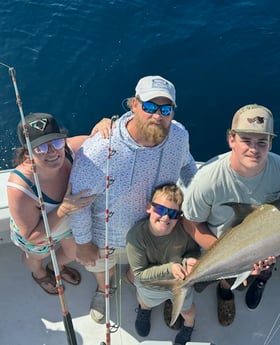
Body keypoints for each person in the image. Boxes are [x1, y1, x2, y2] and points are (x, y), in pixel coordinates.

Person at [69, 75, 197, 323]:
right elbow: (78, 203)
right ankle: (103, 289)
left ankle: (135, 280)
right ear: (134, 105)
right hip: (108, 236)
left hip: (154, 229)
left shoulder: (179, 135)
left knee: (146, 269)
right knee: (100, 267)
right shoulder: (99, 149)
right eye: (149, 107)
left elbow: (187, 165)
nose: (157, 115)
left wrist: (198, 204)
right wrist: (84, 243)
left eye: (165, 109)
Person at [181, 104, 280, 326]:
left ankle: (225, 291)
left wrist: (271, 250)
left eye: (262, 142)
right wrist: (228, 255)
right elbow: (190, 222)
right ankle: (193, 288)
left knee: (257, 272)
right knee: (196, 274)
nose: (254, 149)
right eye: (246, 140)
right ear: (231, 139)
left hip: (260, 244)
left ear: (270, 143)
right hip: (213, 242)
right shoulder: (208, 178)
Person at [7, 112, 110, 294]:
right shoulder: (21, 188)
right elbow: (31, 235)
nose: (52, 152)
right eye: (41, 148)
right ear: (27, 152)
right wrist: (63, 210)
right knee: (36, 257)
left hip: (66, 224)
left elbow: (101, 139)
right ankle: (39, 274)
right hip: (39, 234)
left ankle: (55, 269)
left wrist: (107, 122)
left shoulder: (72, 149)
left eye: (56, 143)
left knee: (71, 253)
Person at [126, 184, 200, 344]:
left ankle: (189, 326)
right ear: (149, 208)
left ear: (179, 216)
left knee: (187, 311)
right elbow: (139, 275)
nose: (166, 217)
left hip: (180, 283)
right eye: (160, 210)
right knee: (145, 302)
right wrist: (170, 268)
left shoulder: (184, 231)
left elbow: (193, 251)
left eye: (173, 213)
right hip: (151, 285)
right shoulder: (136, 236)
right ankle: (144, 311)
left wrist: (191, 261)